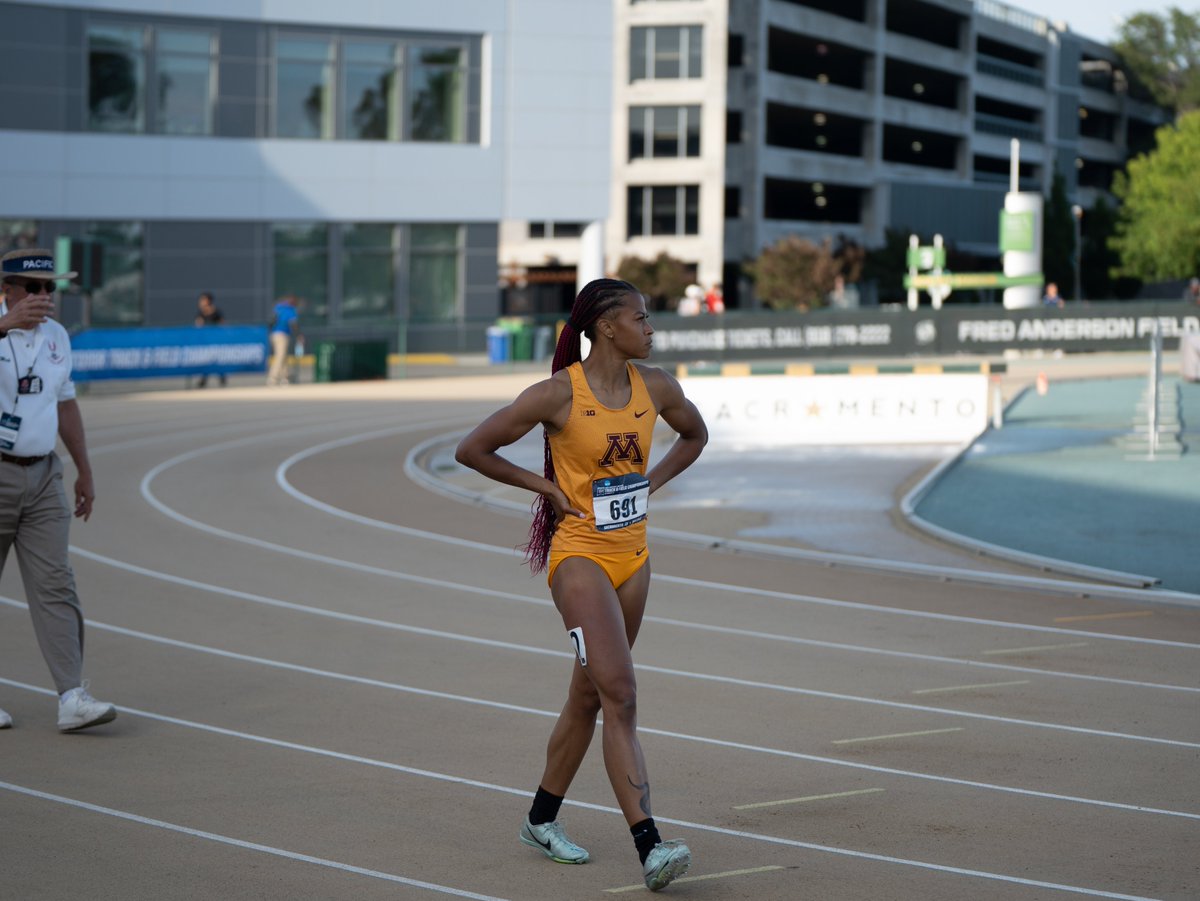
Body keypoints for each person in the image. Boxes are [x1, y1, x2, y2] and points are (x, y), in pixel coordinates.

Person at [455, 278, 707, 892]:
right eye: (642, 319)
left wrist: (651, 483)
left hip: (634, 559)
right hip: (580, 561)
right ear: (607, 327)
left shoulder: (659, 388)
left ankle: (541, 819)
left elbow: (694, 436)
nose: (651, 329)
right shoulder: (557, 396)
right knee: (620, 693)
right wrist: (543, 488)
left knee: (589, 697)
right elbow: (474, 448)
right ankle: (650, 844)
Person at [0, 248, 117, 732]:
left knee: (57, 586)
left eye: (52, 289)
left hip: (44, 474)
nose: (45, 298)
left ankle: (72, 696)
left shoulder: (58, 338)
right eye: (34, 288)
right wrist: (4, 326)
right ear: (7, 289)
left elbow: (65, 403)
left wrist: (84, 470)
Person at [194, 291, 226, 388]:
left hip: (215, 340)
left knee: (216, 359)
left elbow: (222, 324)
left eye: (203, 300)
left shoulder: (216, 312)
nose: (201, 302)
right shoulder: (201, 313)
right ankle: (204, 379)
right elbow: (198, 325)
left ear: (208, 301)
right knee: (206, 360)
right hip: (205, 341)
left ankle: (221, 376)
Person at [267, 294, 301, 386]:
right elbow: (293, 324)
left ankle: (285, 378)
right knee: (280, 356)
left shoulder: (278, 308)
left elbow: (271, 321)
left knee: (284, 357)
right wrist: (299, 335)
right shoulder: (290, 310)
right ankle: (273, 378)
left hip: (274, 334)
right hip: (282, 335)